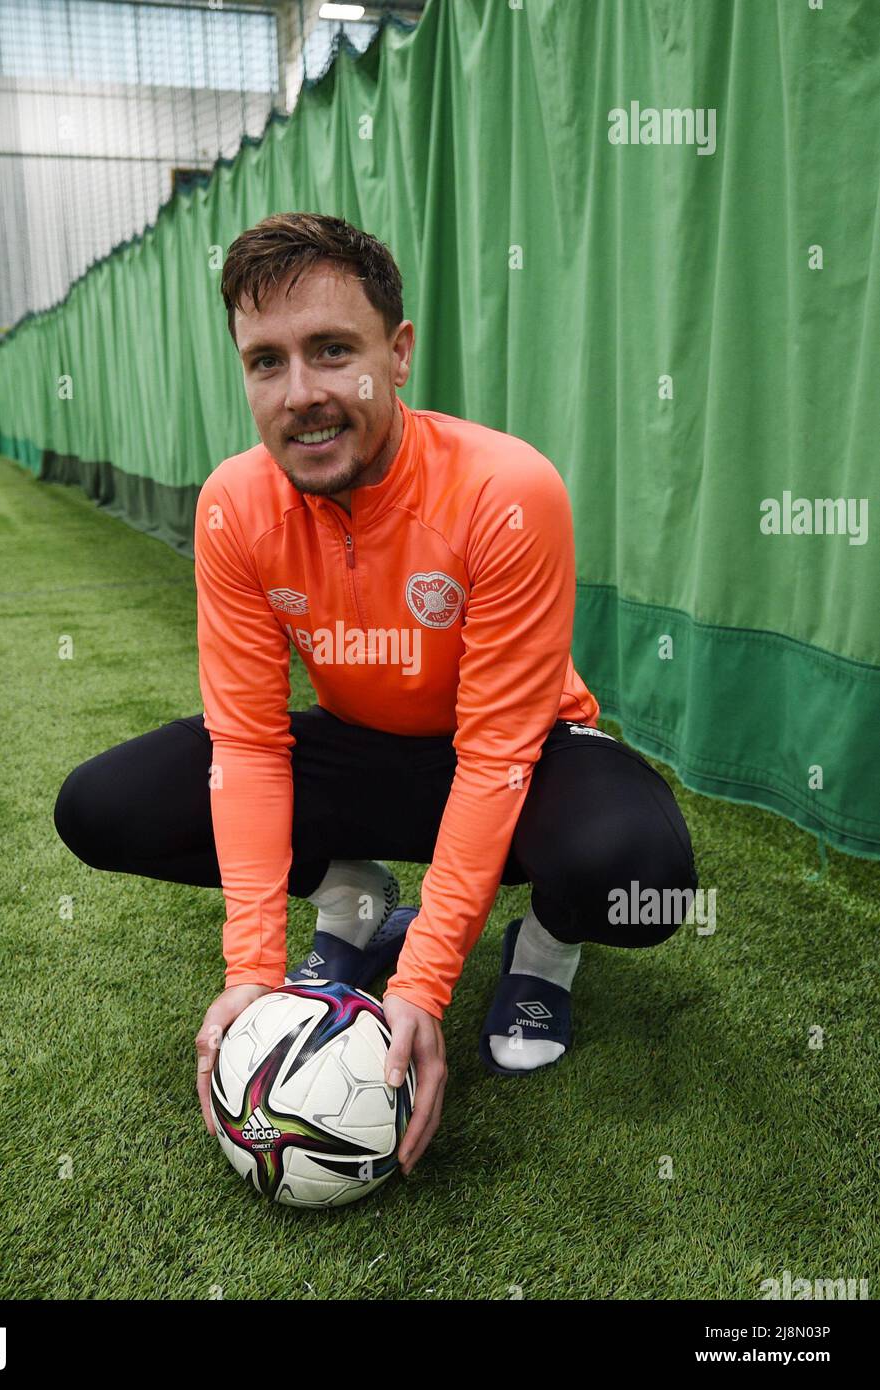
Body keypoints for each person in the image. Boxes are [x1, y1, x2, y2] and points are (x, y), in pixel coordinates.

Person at [54, 212, 698, 1178]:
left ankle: (546, 946)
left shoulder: (505, 488)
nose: (301, 395)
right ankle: (352, 899)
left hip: (521, 753)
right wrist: (252, 977)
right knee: (101, 807)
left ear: (396, 355)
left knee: (641, 877)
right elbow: (249, 743)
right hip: (362, 749)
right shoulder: (234, 503)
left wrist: (423, 986)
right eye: (266, 362)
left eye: (330, 351)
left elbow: (492, 754)